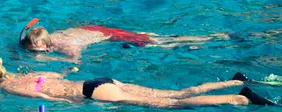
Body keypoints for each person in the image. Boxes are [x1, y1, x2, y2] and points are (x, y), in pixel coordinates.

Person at [0, 54, 275, 109]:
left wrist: (70, 103)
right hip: (98, 81)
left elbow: (47, 101)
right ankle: (232, 82)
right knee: (177, 92)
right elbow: (57, 77)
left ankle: (240, 98)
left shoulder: (8, 87)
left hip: (93, 95)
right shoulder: (24, 74)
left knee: (169, 105)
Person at [19, 17, 230, 62]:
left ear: (48, 46)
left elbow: (75, 59)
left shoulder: (65, 44)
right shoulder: (44, 38)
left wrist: (53, 61)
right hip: (93, 29)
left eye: (36, 52)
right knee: (155, 38)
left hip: (107, 35)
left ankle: (210, 38)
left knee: (160, 42)